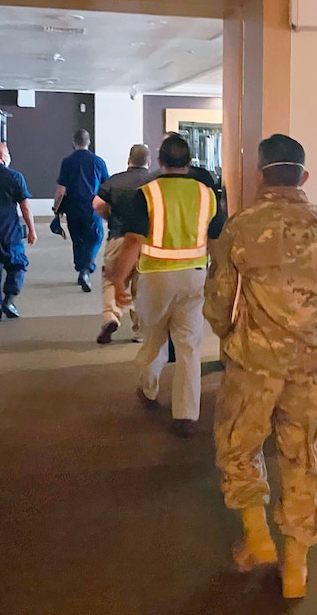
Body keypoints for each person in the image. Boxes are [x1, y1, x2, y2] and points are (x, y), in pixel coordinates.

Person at [203, 134, 317, 600]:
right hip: (312, 367)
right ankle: (296, 569)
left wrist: (228, 336)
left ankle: (256, 537)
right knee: (304, 455)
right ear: (304, 176)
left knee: (237, 446)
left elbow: (217, 299)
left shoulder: (241, 226)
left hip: (255, 363)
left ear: (260, 174)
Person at [106, 134, 219, 438]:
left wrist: (118, 278)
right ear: (190, 162)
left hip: (156, 278)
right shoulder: (206, 194)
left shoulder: (147, 194)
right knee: (189, 346)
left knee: (153, 340)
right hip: (195, 276)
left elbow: (132, 242)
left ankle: (149, 386)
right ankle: (186, 414)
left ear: (160, 162)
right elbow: (216, 239)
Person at [93, 143, 155, 344]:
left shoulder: (114, 181)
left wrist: (109, 217)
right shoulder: (155, 181)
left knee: (111, 278)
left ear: (129, 160)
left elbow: (97, 204)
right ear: (149, 161)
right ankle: (141, 330)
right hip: (147, 241)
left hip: (117, 236)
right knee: (141, 285)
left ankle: (111, 316)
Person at [0, 140, 37, 324]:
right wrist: (32, 230)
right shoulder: (15, 177)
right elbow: (25, 208)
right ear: (4, 156)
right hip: (10, 231)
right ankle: (9, 299)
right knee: (18, 265)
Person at [53, 129, 109, 292]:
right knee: (94, 238)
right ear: (88, 142)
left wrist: (56, 209)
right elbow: (105, 187)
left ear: (74, 142)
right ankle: (86, 270)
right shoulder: (98, 161)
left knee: (77, 239)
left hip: (72, 207)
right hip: (92, 206)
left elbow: (61, 190)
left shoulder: (67, 162)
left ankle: (81, 268)